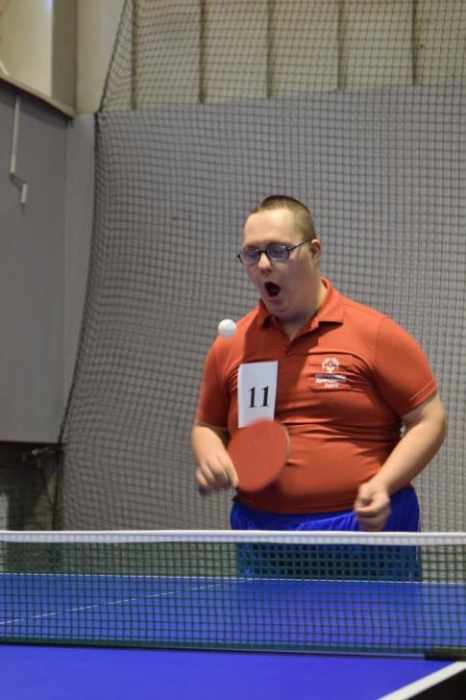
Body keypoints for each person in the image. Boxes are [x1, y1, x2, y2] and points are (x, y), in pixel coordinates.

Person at [192, 195, 446, 577]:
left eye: (278, 250)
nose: (263, 264)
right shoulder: (231, 345)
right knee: (265, 622)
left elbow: (429, 420)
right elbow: (208, 425)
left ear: (313, 251)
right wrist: (212, 455)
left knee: (379, 620)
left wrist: (383, 483)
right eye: (251, 253)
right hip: (263, 536)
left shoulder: (375, 333)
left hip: (364, 532)